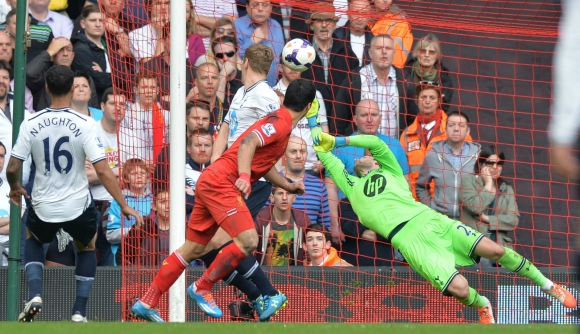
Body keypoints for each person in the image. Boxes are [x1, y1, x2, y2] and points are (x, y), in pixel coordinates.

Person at [307, 129, 577, 323]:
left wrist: (339, 140)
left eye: (369, 156)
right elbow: (327, 157)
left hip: (431, 220)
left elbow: (374, 141)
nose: (362, 156)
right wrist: (314, 126)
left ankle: (547, 285)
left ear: (376, 162)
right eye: (357, 156)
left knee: (494, 249)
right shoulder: (352, 187)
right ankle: (482, 304)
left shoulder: (388, 169)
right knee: (458, 289)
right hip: (408, 241)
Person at [130, 78, 316, 322]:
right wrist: (244, 176)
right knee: (248, 239)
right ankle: (203, 287)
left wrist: (288, 185)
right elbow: (248, 144)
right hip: (222, 183)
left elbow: (264, 163)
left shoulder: (280, 122)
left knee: (194, 248)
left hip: (211, 180)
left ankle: (147, 301)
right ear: (309, 106)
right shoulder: (280, 123)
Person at [6, 65, 142, 323]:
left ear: (46, 88)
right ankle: (79, 311)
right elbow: (103, 170)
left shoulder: (31, 122)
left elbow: (13, 166)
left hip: (44, 204)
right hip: (78, 205)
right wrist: (123, 204)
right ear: (71, 89)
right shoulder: (86, 123)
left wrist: (15, 186)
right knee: (87, 248)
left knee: (33, 241)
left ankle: (35, 294)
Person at [400, 85, 472, 200]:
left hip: (447, 202)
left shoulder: (457, 129)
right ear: (416, 100)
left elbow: (469, 167)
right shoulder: (407, 135)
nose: (427, 101)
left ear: (439, 101)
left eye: (432, 98)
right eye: (424, 97)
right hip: (416, 202)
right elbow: (402, 171)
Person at [460, 146, 519, 267]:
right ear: (481, 164)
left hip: (500, 251)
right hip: (473, 249)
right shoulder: (469, 181)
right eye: (490, 163)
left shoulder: (506, 188)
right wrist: (488, 185)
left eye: (499, 163)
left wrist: (488, 219)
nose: (495, 167)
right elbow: (475, 207)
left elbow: (513, 220)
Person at [415, 111, 480, 220]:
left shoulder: (478, 156)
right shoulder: (433, 155)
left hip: (470, 223)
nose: (456, 129)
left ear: (468, 131)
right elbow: (420, 186)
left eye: (461, 125)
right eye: (451, 125)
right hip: (441, 222)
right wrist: (432, 209)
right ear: (445, 130)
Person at [106, 158, 153, 266]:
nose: (139, 176)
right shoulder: (119, 202)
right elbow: (111, 235)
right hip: (124, 259)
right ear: (126, 179)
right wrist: (135, 231)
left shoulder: (154, 200)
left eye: (142, 172)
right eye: (134, 173)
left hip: (150, 256)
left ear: (147, 177)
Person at [255, 181, 311, 266]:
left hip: (295, 275)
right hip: (265, 274)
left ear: (294, 197)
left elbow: (308, 252)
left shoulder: (302, 219)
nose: (284, 198)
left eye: (288, 194)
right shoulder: (260, 218)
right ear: (272, 198)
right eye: (280, 193)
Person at [403, 33, 453, 115]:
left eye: (431, 52)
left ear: (437, 55)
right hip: (408, 119)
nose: (426, 55)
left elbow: (444, 106)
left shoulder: (444, 78)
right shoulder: (405, 73)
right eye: (423, 51)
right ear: (417, 53)